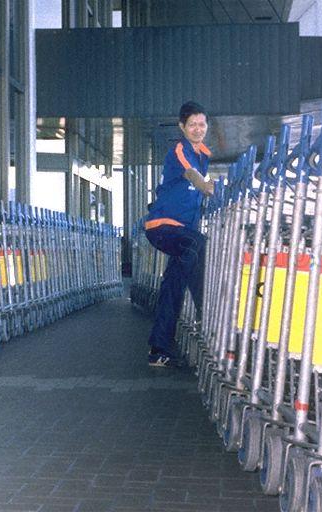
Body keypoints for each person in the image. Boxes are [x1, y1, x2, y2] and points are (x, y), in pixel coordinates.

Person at [144, 101, 214, 368]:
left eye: (202, 124)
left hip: (182, 231)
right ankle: (206, 313)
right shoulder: (181, 150)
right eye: (192, 124)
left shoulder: (203, 154)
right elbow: (192, 175)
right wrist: (208, 187)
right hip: (163, 227)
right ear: (182, 127)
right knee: (198, 244)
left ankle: (159, 349)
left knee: (174, 285)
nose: (198, 129)